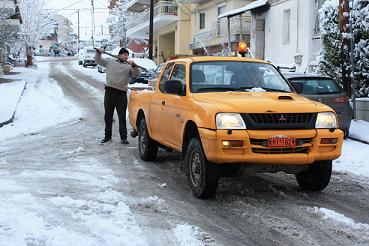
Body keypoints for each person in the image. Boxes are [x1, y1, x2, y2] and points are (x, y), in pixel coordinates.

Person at [95, 47, 141, 144]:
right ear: (120, 54)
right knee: (108, 116)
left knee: (122, 116)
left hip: (121, 94)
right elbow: (98, 61)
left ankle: (123, 138)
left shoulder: (128, 66)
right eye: (125, 54)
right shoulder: (110, 61)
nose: (126, 56)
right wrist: (98, 53)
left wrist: (134, 66)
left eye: (127, 55)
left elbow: (137, 75)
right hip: (110, 92)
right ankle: (107, 136)